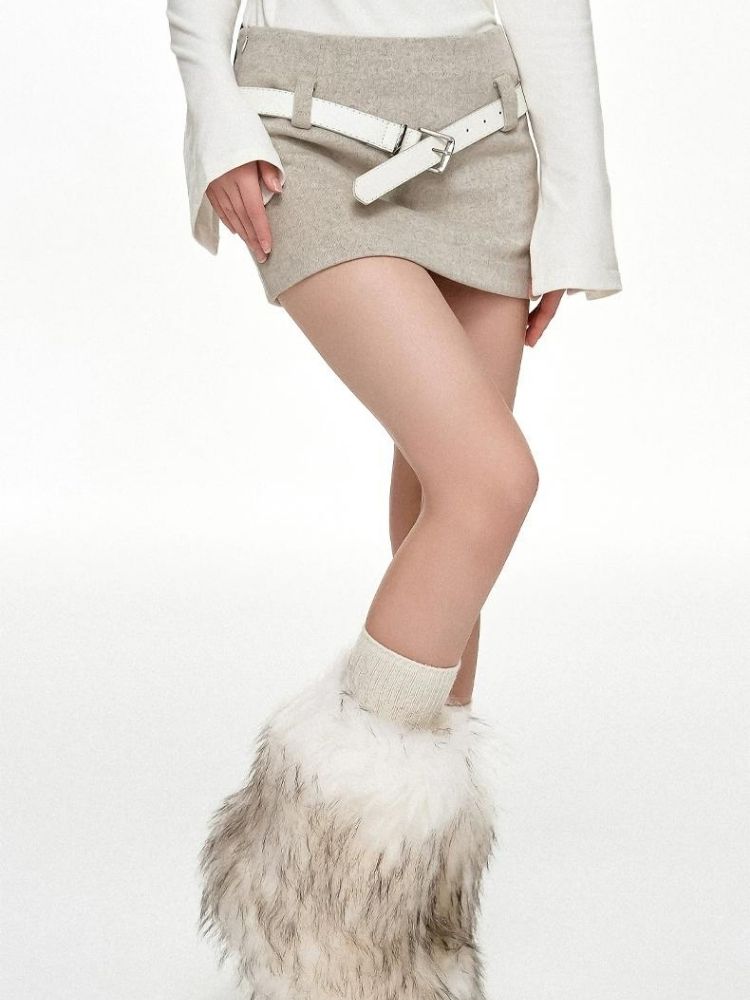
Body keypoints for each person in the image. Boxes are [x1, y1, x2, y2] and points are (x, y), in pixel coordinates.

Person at [166, 2, 621, 997]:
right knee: (490, 484)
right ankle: (316, 902)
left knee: (448, 516)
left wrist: (574, 214)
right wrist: (218, 118)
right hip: (303, 131)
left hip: (488, 135)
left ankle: (411, 933)